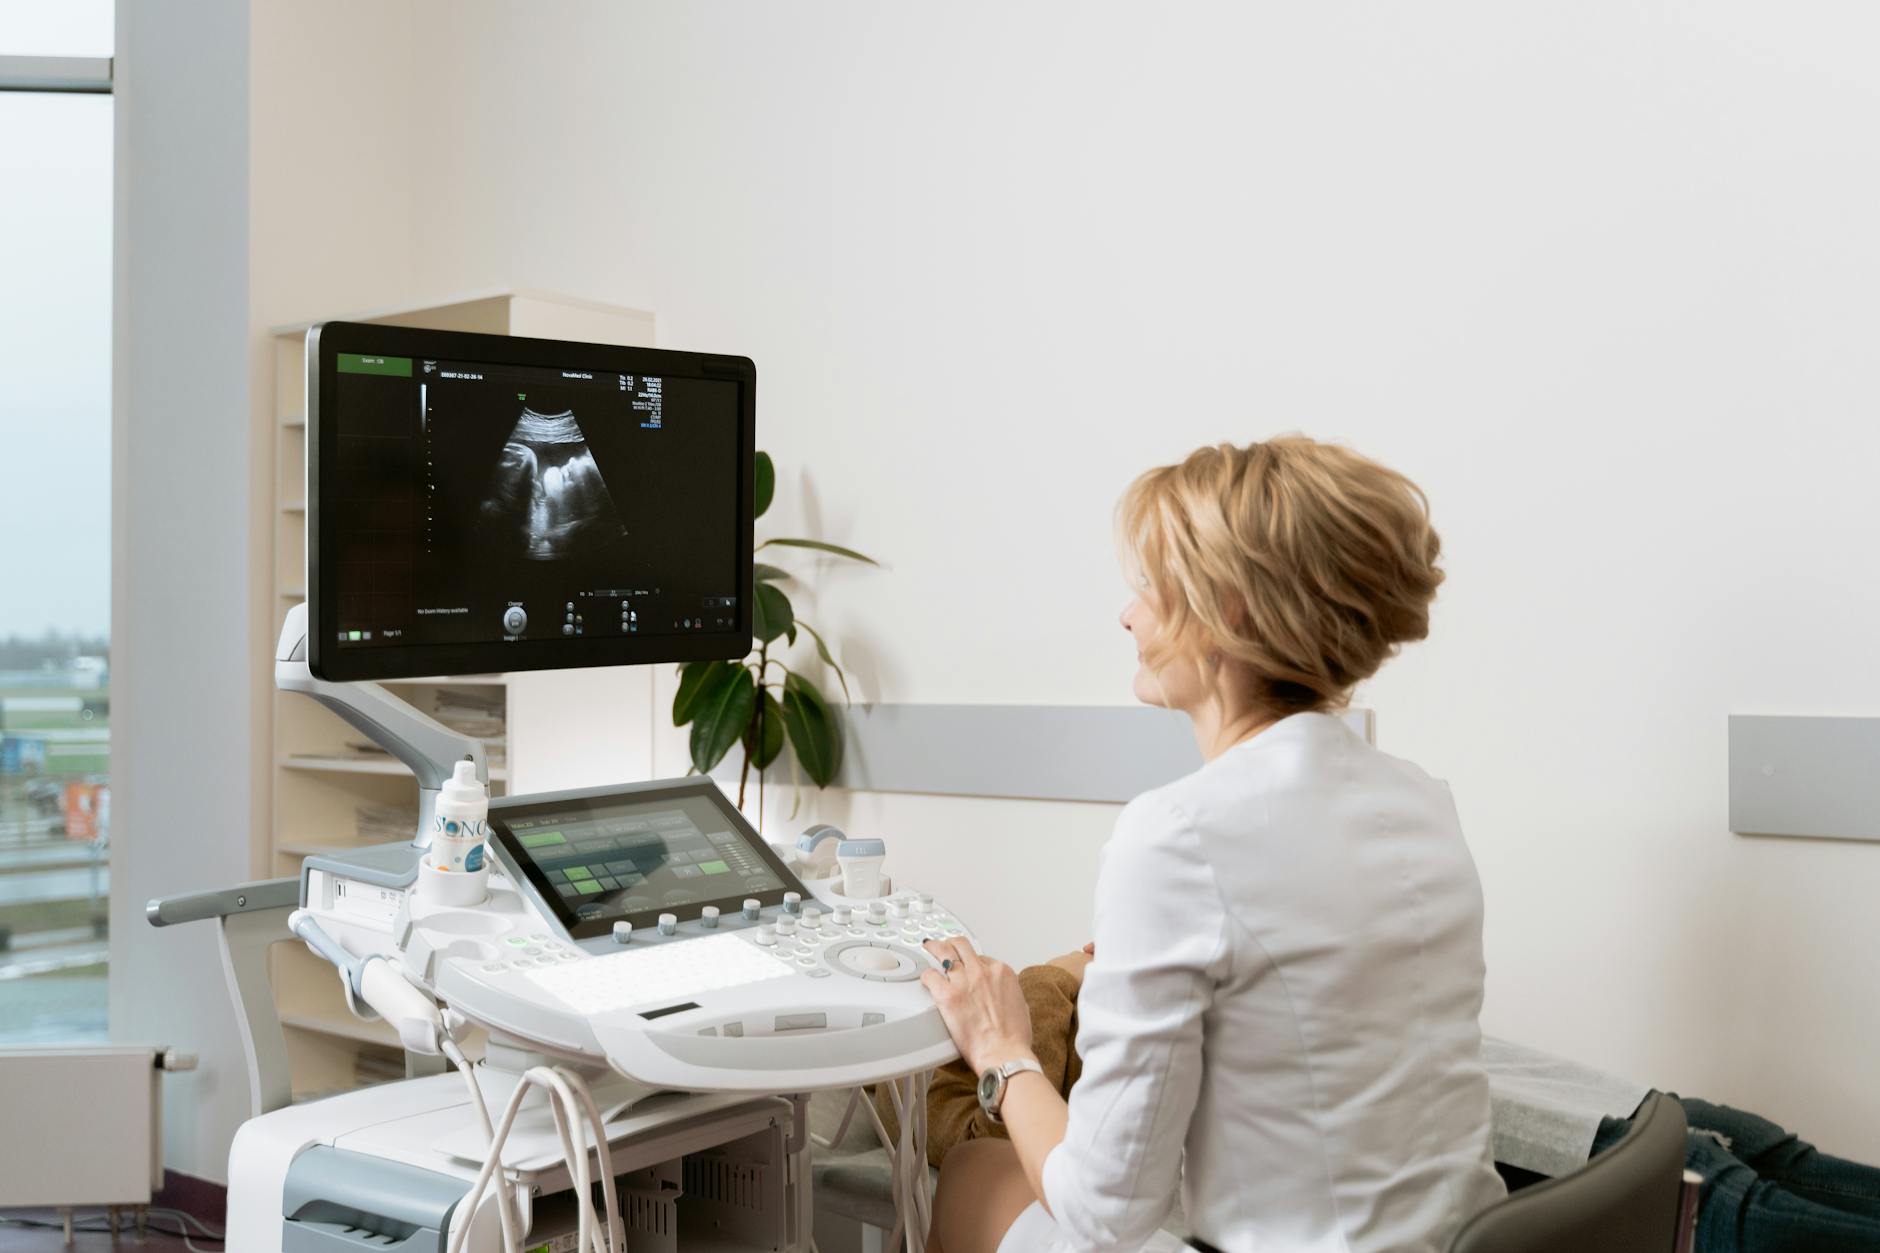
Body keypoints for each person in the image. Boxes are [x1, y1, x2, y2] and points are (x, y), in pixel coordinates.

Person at [917, 437, 1507, 1253]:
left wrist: (1003, 1048)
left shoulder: (1177, 836)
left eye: (1151, 588)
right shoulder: (1419, 798)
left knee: (979, 1172)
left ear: (1227, 610)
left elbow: (1105, 1210)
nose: (1129, 613)